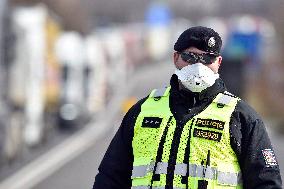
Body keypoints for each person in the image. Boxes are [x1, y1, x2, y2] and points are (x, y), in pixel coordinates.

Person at [93, 26, 282, 189]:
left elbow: (266, 183)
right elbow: (110, 177)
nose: (199, 65)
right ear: (176, 58)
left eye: (207, 58)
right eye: (190, 57)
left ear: (218, 62)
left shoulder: (241, 117)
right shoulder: (142, 111)